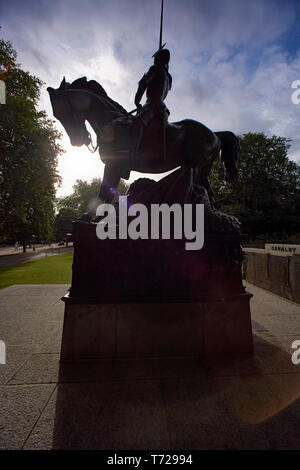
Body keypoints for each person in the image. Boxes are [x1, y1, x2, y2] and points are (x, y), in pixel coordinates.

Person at [131, 46, 172, 161]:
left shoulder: (154, 69)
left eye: (156, 58)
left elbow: (143, 83)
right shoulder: (169, 77)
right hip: (163, 108)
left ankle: (132, 153)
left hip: (152, 104)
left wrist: (137, 101)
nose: (154, 60)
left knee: (137, 122)